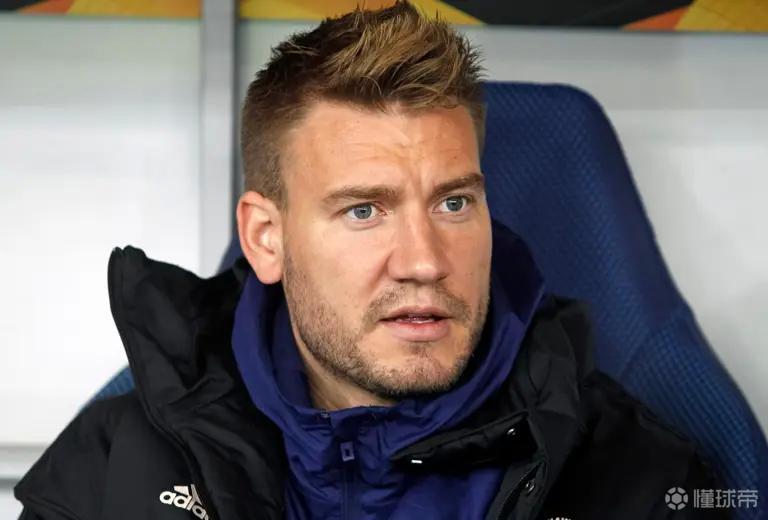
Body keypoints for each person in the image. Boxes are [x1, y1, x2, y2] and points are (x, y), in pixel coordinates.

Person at [15, 2, 727, 519]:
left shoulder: (640, 482)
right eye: (364, 210)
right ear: (266, 238)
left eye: (454, 203)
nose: (424, 262)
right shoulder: (112, 475)